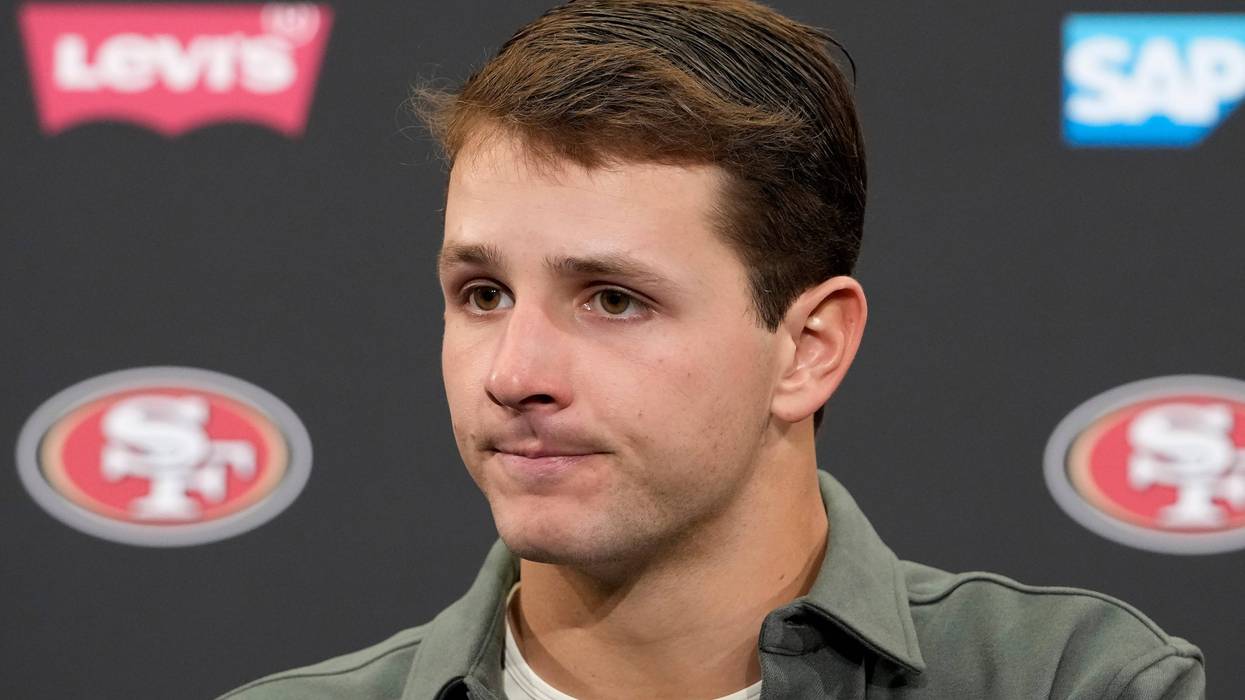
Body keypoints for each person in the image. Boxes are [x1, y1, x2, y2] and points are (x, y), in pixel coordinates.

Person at [220, 1, 1205, 698]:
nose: (512, 373)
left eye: (611, 298)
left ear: (808, 349)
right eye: (482, 293)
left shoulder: (1071, 681)